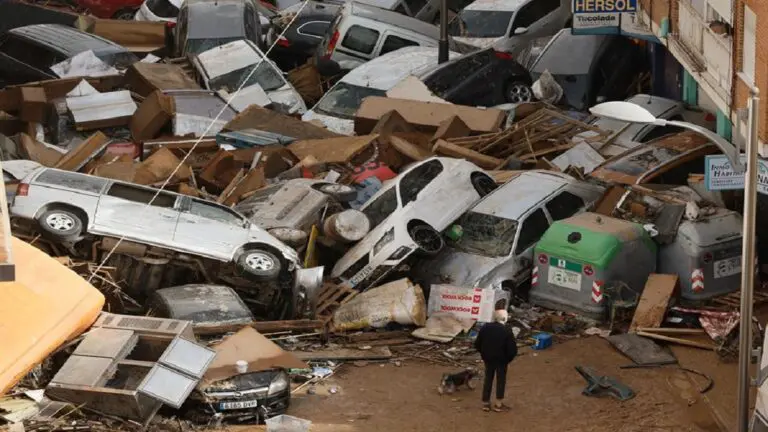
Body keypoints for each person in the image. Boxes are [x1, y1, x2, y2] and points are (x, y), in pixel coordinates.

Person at [474, 309, 517, 412]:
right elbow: (512, 350)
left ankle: (485, 403)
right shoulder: (507, 330)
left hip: (488, 358)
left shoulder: (485, 327)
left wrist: (484, 354)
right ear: (504, 318)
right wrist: (508, 359)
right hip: (501, 360)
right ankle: (498, 404)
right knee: (501, 380)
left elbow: (477, 344)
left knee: (488, 378)